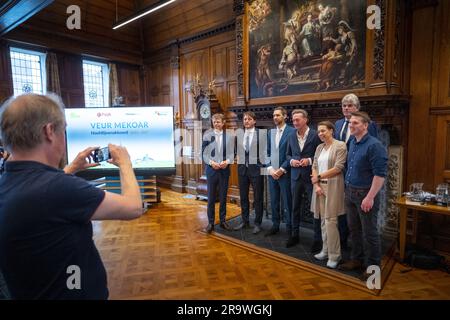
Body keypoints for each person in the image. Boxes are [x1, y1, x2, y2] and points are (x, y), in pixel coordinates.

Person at [0, 94, 143, 299]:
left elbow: (42, 196)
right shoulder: (59, 188)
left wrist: (72, 167)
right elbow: (133, 207)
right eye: (63, 131)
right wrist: (125, 163)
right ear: (49, 132)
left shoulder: (8, 181)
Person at [339, 112, 388, 280]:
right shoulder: (352, 141)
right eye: (350, 122)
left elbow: (380, 175)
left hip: (365, 195)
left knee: (369, 233)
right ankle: (357, 259)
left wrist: (370, 197)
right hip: (350, 192)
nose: (351, 125)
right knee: (354, 230)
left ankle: (373, 268)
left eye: (355, 123)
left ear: (365, 125)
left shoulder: (375, 145)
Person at [334, 93, 379, 250]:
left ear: (357, 108)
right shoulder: (338, 124)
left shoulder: (369, 127)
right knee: (346, 214)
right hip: (343, 174)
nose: (346, 108)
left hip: (362, 177)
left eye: (350, 105)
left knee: (365, 225)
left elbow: (370, 149)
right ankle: (345, 244)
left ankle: (370, 264)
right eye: (344, 105)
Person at [310, 121, 347, 269]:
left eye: (323, 131)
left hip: (333, 186)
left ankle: (335, 255)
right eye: (319, 131)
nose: (320, 134)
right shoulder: (319, 147)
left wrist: (318, 177)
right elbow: (314, 167)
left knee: (331, 221)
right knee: (323, 222)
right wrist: (316, 185)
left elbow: (338, 167)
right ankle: (325, 251)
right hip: (319, 188)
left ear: (331, 130)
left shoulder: (340, 145)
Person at [286, 109, 322, 249]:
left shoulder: (315, 135)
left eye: (297, 120)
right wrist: (291, 162)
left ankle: (317, 239)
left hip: (311, 177)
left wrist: (309, 160)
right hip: (295, 177)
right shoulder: (291, 136)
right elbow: (288, 155)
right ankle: (294, 236)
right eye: (293, 120)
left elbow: (321, 154)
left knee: (315, 209)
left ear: (305, 120)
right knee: (295, 207)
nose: (295, 122)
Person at [265, 107, 295, 237]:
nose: (275, 117)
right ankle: (275, 225)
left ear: (285, 116)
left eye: (277, 115)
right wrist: (270, 169)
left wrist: (282, 169)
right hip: (272, 174)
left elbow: (293, 153)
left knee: (288, 202)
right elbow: (266, 153)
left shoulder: (292, 131)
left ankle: (290, 228)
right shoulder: (269, 132)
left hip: (285, 173)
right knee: (274, 201)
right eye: (273, 115)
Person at [234, 111, 266, 234]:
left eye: (249, 119)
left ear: (254, 121)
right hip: (242, 170)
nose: (246, 121)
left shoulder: (261, 134)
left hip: (256, 171)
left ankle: (258, 223)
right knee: (243, 197)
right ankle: (245, 221)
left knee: (258, 197)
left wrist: (261, 166)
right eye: (245, 119)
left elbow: (265, 152)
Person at [202, 113, 234, 233]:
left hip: (224, 171)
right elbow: (203, 154)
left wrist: (227, 161)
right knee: (210, 198)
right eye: (214, 122)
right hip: (212, 171)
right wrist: (211, 163)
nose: (216, 124)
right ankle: (210, 223)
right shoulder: (207, 135)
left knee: (223, 197)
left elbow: (232, 154)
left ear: (223, 122)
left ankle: (222, 221)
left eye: (218, 122)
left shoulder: (229, 136)